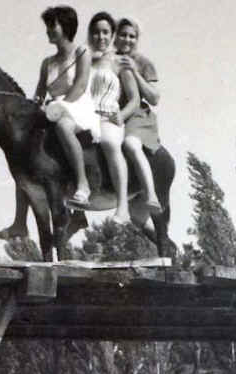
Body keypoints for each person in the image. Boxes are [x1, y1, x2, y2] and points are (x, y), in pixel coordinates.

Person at [35, 5, 100, 209]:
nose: (48, 30)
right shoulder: (47, 63)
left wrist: (59, 106)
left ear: (65, 26)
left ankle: (83, 185)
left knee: (63, 126)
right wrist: (35, 107)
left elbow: (80, 85)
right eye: (47, 26)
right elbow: (39, 94)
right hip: (54, 108)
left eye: (52, 25)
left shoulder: (82, 52)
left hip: (78, 105)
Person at [87, 11, 141, 224]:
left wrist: (122, 115)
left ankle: (123, 206)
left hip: (108, 116)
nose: (100, 37)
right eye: (96, 32)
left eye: (105, 32)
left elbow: (135, 99)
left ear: (111, 35)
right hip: (85, 115)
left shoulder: (120, 62)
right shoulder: (84, 61)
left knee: (110, 143)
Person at [114, 17, 162, 214]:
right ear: (115, 37)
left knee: (131, 144)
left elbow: (154, 98)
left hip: (136, 115)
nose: (127, 40)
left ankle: (151, 195)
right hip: (111, 113)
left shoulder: (143, 62)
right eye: (123, 35)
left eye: (132, 36)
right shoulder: (108, 59)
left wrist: (135, 72)